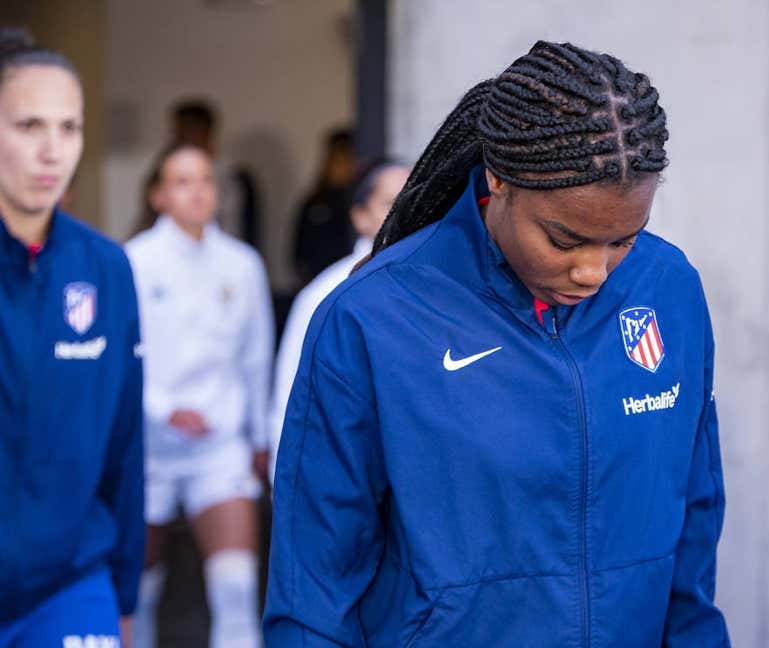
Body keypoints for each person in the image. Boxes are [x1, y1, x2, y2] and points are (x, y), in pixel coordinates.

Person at [265, 41, 729, 646]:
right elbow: (314, 588)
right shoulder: (373, 318)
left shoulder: (670, 290)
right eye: (565, 241)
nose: (594, 271)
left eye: (624, 241)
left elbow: (692, 529)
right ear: (498, 179)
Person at [0, 27, 143, 647]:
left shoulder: (106, 268)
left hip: (69, 586)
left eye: (69, 128)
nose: (52, 152)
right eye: (29, 126)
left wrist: (126, 592)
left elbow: (125, 443)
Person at [126, 143, 273, 648]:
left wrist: (259, 433)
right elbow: (123, 356)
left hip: (219, 445)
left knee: (236, 589)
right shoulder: (134, 261)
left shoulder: (242, 264)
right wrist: (164, 410)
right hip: (147, 446)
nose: (197, 191)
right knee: (136, 593)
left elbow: (257, 358)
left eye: (206, 179)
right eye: (182, 181)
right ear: (159, 195)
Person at [268, 157, 409, 482]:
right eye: (390, 202)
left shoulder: (442, 286)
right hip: (343, 477)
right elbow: (291, 397)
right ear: (359, 217)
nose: (406, 210)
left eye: (414, 197)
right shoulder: (326, 294)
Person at [171, 98, 262, 250]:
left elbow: (233, 229)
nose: (181, 139)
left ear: (207, 133)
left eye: (189, 131)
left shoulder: (228, 178)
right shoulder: (164, 175)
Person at [291, 127, 358, 283]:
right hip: (318, 281)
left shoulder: (360, 202)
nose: (343, 164)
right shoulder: (315, 202)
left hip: (351, 278)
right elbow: (299, 253)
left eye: (347, 157)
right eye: (338, 157)